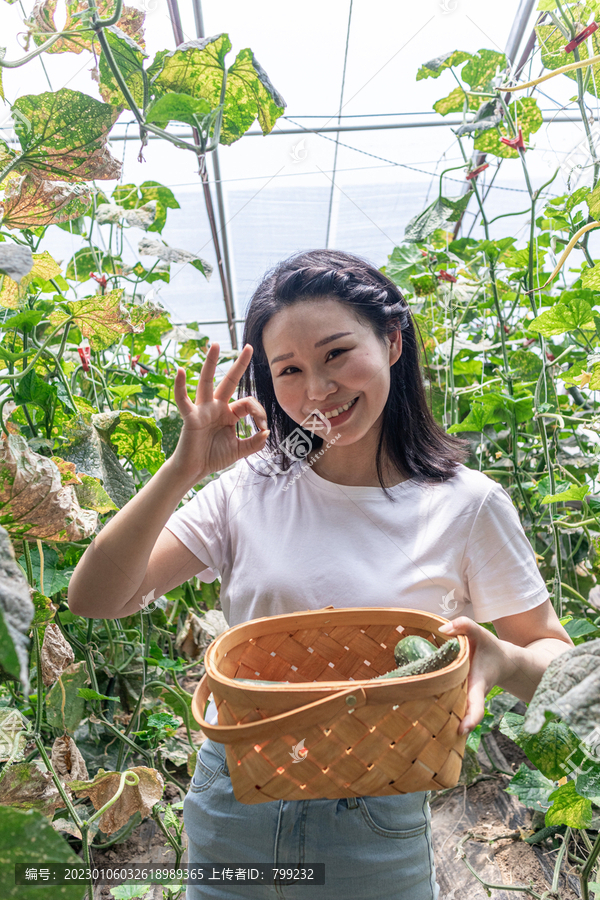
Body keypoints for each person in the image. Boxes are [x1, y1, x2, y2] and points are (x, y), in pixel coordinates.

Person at [68, 249, 574, 899]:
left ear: (392, 341)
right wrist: (182, 470)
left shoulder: (467, 504)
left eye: (337, 354)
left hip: (375, 818)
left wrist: (503, 660)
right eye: (290, 369)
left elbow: (555, 660)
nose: (317, 389)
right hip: (234, 803)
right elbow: (97, 599)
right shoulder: (248, 489)